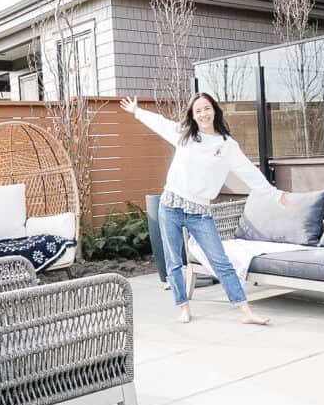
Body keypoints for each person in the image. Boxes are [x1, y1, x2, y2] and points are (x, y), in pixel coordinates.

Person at [121, 92, 288, 325]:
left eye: (207, 108)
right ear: (192, 115)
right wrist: (137, 112)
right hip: (171, 206)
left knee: (221, 261)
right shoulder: (184, 134)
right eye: (198, 110)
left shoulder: (227, 145)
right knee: (174, 261)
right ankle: (183, 307)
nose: (203, 114)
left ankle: (246, 312)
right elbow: (160, 123)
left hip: (200, 212)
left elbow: (249, 172)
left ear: (215, 111)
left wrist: (275, 194)